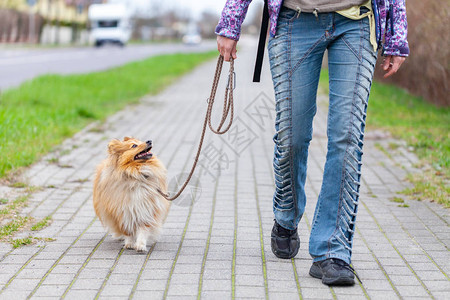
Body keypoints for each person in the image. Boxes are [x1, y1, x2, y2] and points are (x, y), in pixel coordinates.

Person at [216, 0, 409, 286]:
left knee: (347, 135)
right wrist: (231, 22)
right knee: (291, 135)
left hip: (356, 21)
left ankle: (333, 250)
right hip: (295, 21)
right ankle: (286, 214)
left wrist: (397, 36)